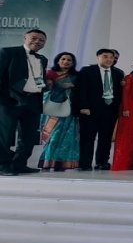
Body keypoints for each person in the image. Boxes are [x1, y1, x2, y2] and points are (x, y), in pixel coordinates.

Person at [0, 29, 48, 176]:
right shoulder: (8, 52)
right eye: (34, 38)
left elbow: (36, 79)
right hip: (10, 101)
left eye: (42, 40)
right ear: (25, 38)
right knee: (5, 136)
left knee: (29, 136)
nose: (38, 41)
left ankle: (19, 164)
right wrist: (4, 99)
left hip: (33, 101)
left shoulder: (43, 59)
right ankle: (2, 165)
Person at [77, 48, 124, 171]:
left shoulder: (119, 73)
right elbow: (81, 90)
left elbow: (120, 93)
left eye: (111, 57)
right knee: (87, 137)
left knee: (106, 138)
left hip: (110, 110)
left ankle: (102, 162)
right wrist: (83, 107)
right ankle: (85, 163)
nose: (109, 59)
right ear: (98, 57)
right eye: (105, 56)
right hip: (90, 110)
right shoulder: (87, 71)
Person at [38, 51, 80, 171]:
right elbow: (45, 90)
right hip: (52, 109)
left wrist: (71, 86)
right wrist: (50, 83)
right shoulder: (50, 74)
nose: (66, 62)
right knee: (52, 136)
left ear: (73, 63)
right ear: (58, 61)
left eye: (69, 60)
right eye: (63, 59)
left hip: (68, 110)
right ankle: (48, 161)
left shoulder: (76, 76)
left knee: (67, 137)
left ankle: (61, 163)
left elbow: (79, 92)